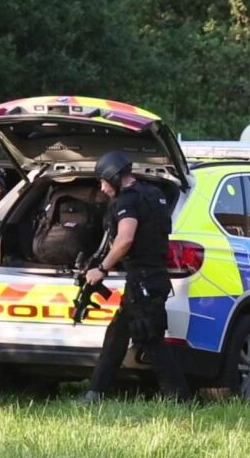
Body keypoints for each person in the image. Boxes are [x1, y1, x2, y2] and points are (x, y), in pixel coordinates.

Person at [79, 151, 191, 403]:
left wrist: (103, 268)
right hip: (150, 278)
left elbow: (125, 239)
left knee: (150, 339)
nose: (102, 187)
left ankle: (180, 399)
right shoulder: (155, 195)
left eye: (103, 181)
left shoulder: (127, 202)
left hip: (143, 279)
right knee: (117, 334)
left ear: (114, 177)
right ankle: (94, 393)